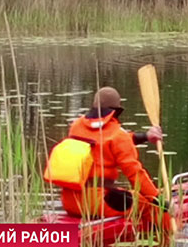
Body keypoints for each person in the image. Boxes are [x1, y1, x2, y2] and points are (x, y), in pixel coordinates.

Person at [59, 86, 170, 228]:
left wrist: (146, 136)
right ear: (117, 112)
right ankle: (168, 241)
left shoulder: (76, 126)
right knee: (151, 206)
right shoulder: (118, 135)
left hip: (70, 202)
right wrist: (158, 199)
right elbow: (135, 174)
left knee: (126, 195)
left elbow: (104, 142)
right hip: (98, 204)